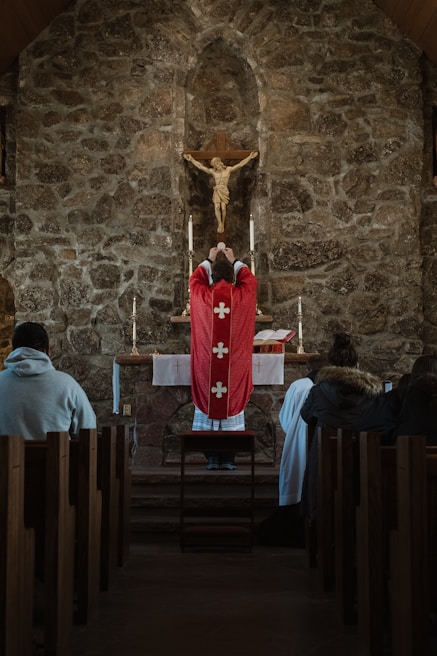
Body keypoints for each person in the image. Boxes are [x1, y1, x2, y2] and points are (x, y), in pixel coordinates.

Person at [300, 332, 383, 523]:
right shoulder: (372, 394)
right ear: (357, 364)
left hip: (324, 460)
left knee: (322, 494)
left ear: (331, 365)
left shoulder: (319, 390)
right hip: (360, 459)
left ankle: (320, 529)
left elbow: (306, 417)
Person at [190, 245, 257, 469]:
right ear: (233, 276)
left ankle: (211, 458)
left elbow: (194, 281)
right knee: (230, 402)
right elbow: (252, 282)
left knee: (210, 402)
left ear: (212, 275)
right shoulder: (242, 296)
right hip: (233, 368)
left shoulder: (202, 296)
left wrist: (207, 260)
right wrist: (236, 260)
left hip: (208, 367)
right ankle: (228, 459)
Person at [0, 321, 96, 439]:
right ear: (47, 349)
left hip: (6, 457)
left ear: (13, 349)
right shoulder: (67, 385)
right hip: (56, 457)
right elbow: (88, 430)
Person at [278, 354, 329, 507]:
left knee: (297, 480)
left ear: (307, 368)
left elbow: (285, 418)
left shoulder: (298, 386)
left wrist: (295, 433)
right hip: (323, 439)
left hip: (299, 439)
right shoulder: (330, 387)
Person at [183, 151, 258, 233]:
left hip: (224, 190)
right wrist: (191, 159)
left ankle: (223, 222)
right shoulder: (214, 172)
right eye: (215, 165)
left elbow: (240, 165)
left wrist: (249, 157)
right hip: (217, 190)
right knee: (217, 207)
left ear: (220, 163)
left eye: (217, 164)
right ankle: (220, 224)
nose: (216, 166)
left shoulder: (228, 170)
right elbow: (200, 167)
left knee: (223, 207)